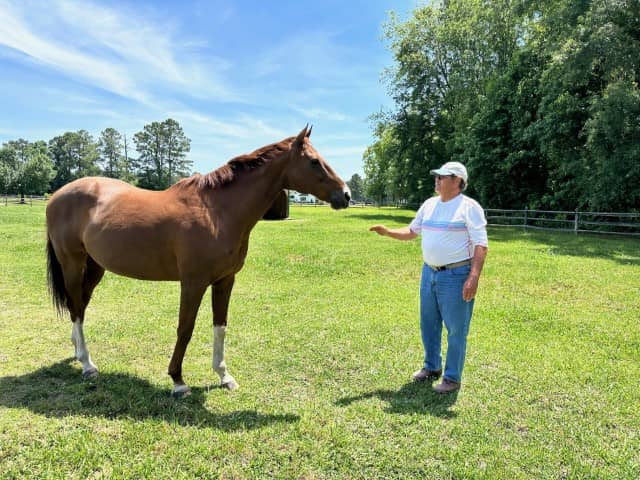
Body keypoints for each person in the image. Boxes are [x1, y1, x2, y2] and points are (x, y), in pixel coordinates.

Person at [370, 162, 488, 394]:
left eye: (442, 177)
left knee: (456, 328)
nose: (437, 180)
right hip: (429, 273)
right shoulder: (429, 205)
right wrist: (388, 232)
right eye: (436, 176)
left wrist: (473, 276)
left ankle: (452, 378)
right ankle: (432, 367)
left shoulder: (469, 207)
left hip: (456, 275)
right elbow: (412, 232)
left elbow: (481, 245)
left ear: (457, 181)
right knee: (428, 324)